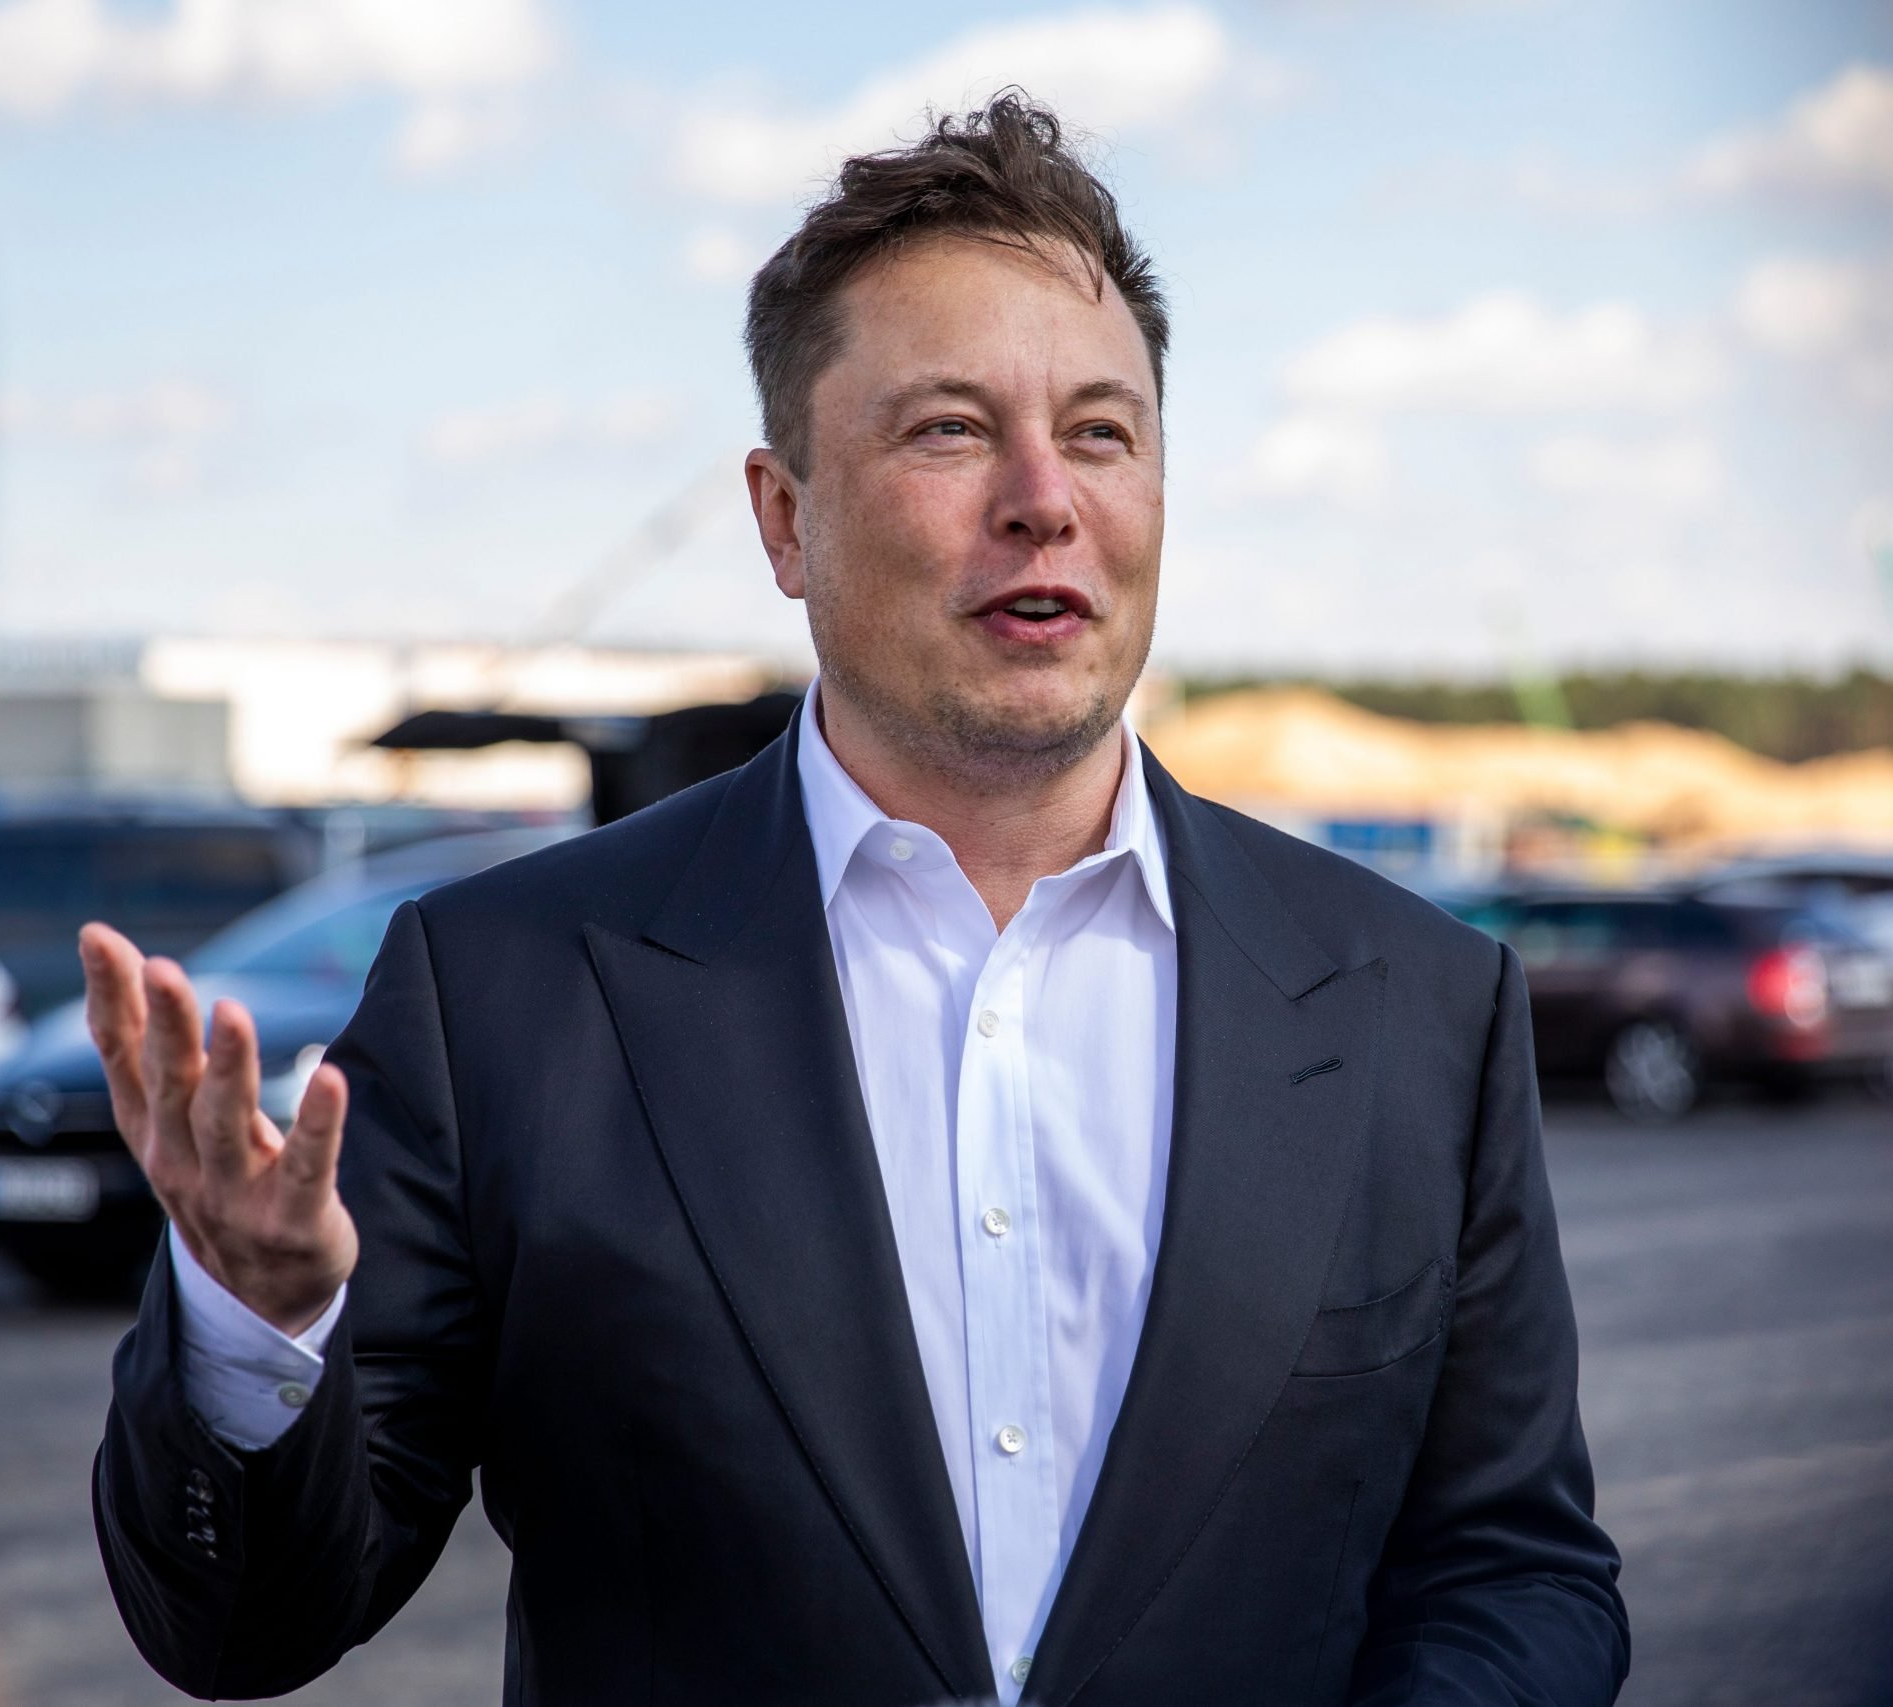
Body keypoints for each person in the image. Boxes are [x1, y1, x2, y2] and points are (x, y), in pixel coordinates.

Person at [85, 96, 1628, 1707]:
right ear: (783, 518)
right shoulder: (511, 997)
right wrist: (253, 1334)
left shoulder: (1418, 1004)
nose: (1045, 497)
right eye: (951, 430)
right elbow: (248, 1628)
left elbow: (1514, 1575)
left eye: (1102, 431)